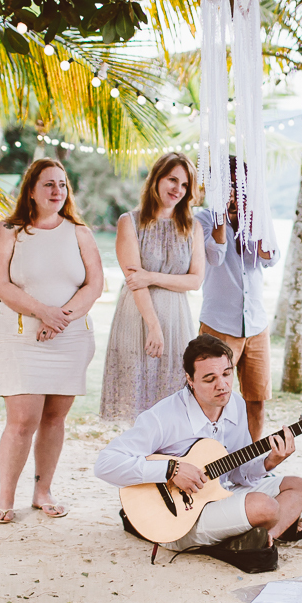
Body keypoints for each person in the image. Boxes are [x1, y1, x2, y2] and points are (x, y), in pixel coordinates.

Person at [94, 334, 302, 550]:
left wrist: (270, 462)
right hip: (181, 517)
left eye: (227, 374)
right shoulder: (164, 417)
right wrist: (171, 469)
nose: (222, 385)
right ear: (190, 380)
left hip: (222, 492)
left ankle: (266, 539)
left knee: (298, 486)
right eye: (210, 379)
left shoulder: (235, 403)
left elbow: (239, 474)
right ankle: (263, 530)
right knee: (266, 507)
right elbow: (105, 464)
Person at [0, 159, 103, 523]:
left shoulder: (79, 233)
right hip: (21, 337)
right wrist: (42, 312)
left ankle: (42, 491)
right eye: (49, 184)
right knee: (22, 420)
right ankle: (6, 496)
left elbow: (94, 284)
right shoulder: (8, 231)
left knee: (54, 419)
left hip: (69, 339)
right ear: (31, 190)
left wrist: (61, 318)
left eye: (62, 185)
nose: (57, 192)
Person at [100, 152, 205, 421]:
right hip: (137, 317)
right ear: (156, 179)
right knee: (138, 406)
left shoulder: (193, 228)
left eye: (184, 185)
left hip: (177, 321)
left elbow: (195, 280)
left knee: (173, 405)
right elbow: (135, 281)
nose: (178, 190)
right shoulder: (130, 222)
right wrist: (153, 326)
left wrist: (152, 276)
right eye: (172, 180)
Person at [196, 156, 279, 441]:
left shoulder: (256, 218)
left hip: (256, 325)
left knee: (256, 399)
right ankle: (212, 460)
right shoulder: (203, 219)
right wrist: (222, 211)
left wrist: (251, 218)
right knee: (212, 400)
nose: (235, 189)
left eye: (240, 183)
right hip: (219, 325)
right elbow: (215, 255)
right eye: (229, 183)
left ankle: (252, 464)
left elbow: (269, 258)